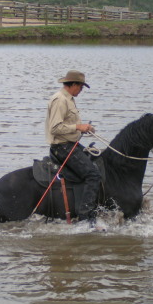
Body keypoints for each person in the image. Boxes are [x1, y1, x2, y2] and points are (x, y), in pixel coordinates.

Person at [45, 70, 101, 223]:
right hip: (62, 147)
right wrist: (78, 127)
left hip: (70, 143)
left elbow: (68, 124)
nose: (81, 91)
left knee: (99, 160)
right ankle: (85, 217)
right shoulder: (60, 100)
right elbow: (55, 128)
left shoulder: (68, 99)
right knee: (93, 175)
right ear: (74, 84)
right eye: (81, 87)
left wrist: (84, 128)